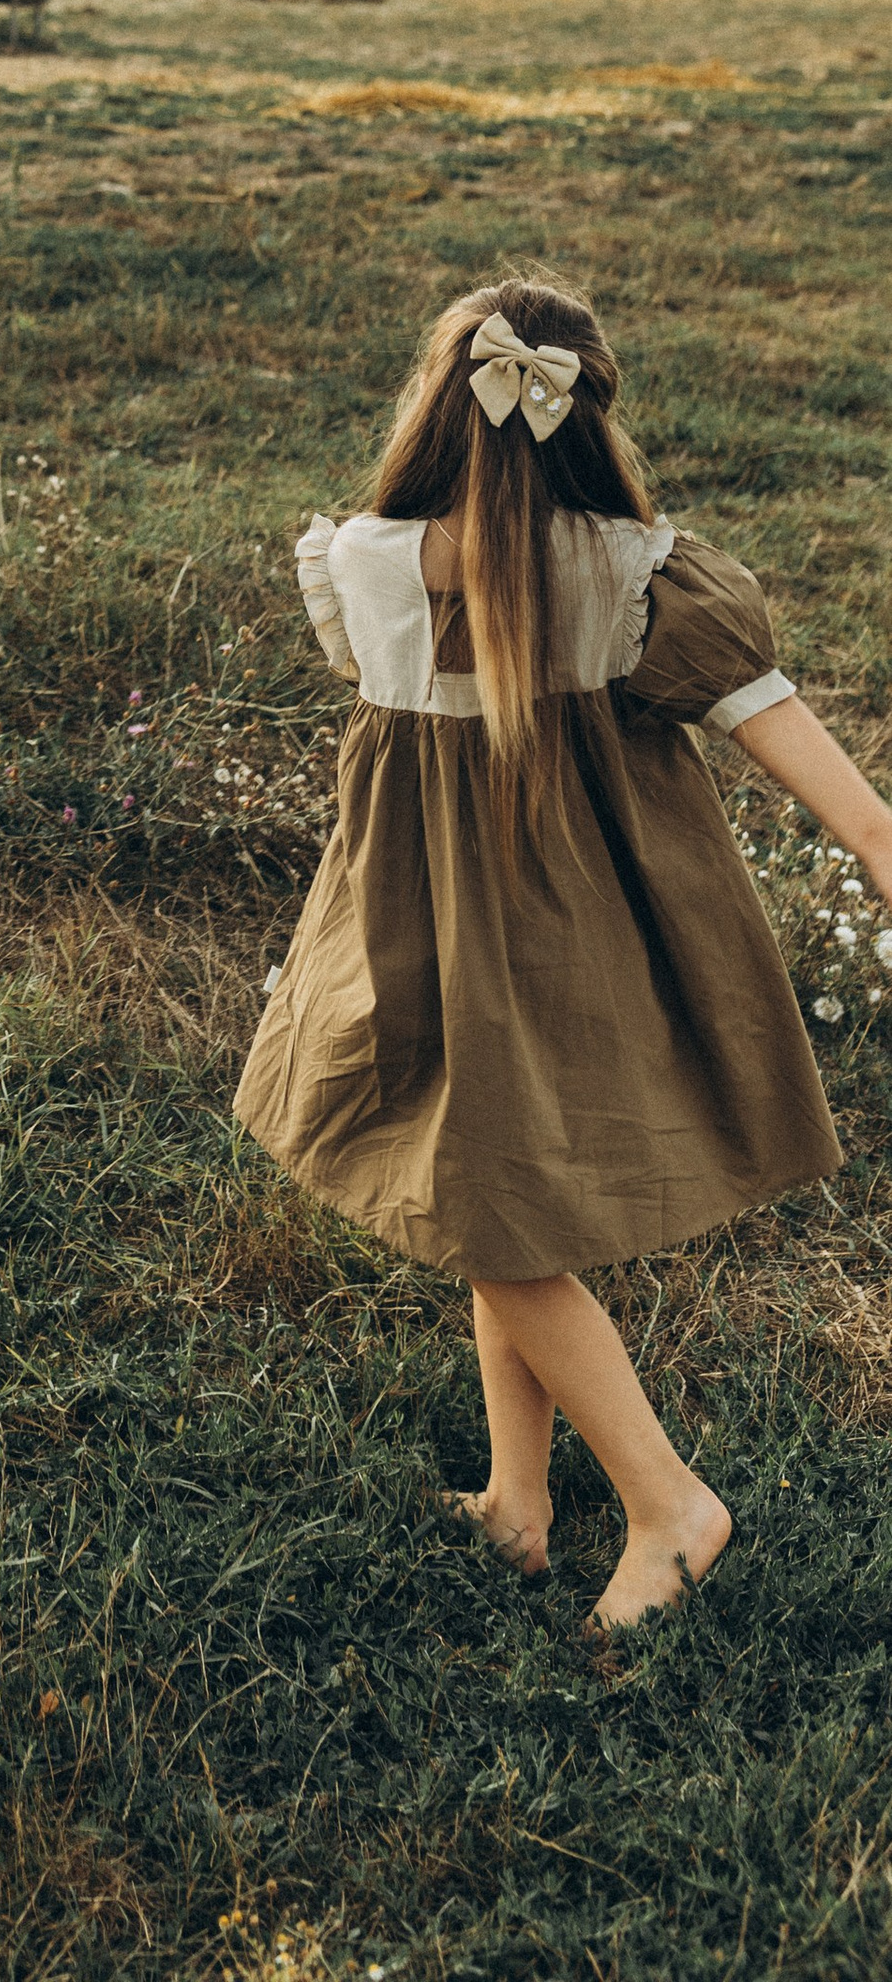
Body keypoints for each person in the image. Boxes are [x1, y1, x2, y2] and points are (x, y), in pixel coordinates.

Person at [235, 272, 888, 1630]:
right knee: (497, 1193)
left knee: (492, 1205)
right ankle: (517, 1500)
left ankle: (667, 1504)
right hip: (586, 932)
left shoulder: (362, 562)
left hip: (429, 932)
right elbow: (769, 717)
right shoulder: (635, 574)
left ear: (436, 412)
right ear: (591, 421)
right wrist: (878, 838)